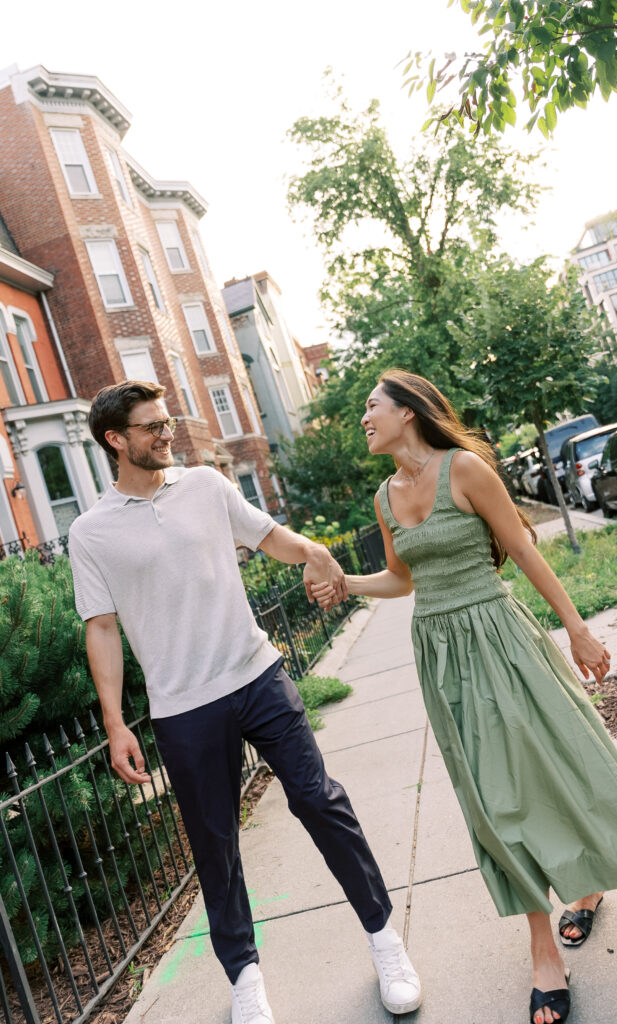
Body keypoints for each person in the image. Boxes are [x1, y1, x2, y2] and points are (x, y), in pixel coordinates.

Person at [311, 369, 617, 1024]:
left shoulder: (466, 470)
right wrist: (347, 585)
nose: (363, 419)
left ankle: (588, 882)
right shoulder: (385, 496)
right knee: (491, 800)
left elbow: (523, 550)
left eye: (371, 407)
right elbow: (402, 581)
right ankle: (543, 948)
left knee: (555, 765)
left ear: (409, 412)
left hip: (502, 638)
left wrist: (578, 630)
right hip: (442, 655)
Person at [68, 380, 422, 1024]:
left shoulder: (205, 486)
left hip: (256, 675)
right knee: (215, 844)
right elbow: (101, 628)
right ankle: (246, 979)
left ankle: (383, 938)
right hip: (182, 707)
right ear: (116, 440)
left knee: (319, 800)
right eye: (151, 426)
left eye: (166, 419)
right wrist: (116, 721)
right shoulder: (91, 533)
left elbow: (270, 537)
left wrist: (315, 553)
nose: (166, 432)